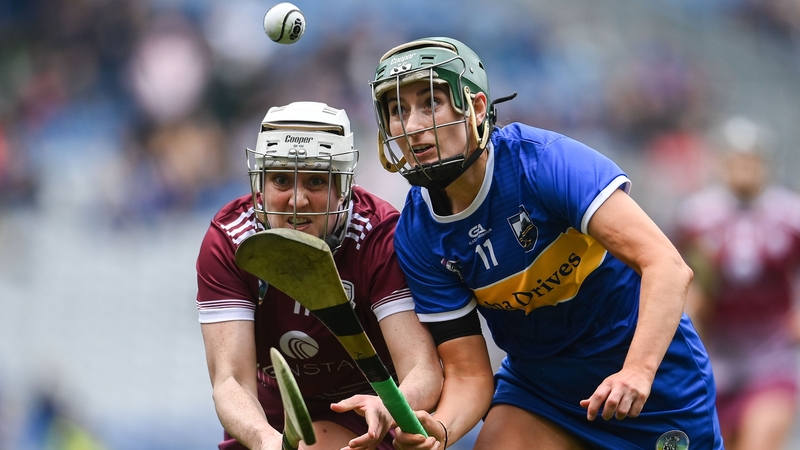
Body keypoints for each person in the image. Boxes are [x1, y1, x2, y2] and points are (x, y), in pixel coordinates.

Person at [368, 37, 723, 449]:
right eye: (399, 111)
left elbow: (668, 266)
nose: (412, 127)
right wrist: (442, 429)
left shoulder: (545, 163)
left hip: (651, 381)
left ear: (477, 108)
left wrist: (637, 371)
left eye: (430, 104)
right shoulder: (416, 233)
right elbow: (468, 374)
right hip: (541, 392)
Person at [195, 101, 443, 450]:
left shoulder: (379, 236)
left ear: (343, 187)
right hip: (267, 417)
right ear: (259, 185)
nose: (298, 200)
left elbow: (423, 367)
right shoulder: (229, 241)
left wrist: (387, 406)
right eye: (281, 179)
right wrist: (267, 441)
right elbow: (230, 381)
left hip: (363, 412)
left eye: (315, 180)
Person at [674, 116, 800, 450]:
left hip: (772, 355)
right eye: (735, 160)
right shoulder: (698, 217)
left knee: (759, 443)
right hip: (715, 359)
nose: (744, 168)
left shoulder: (791, 215)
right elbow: (687, 278)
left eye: (751, 160)